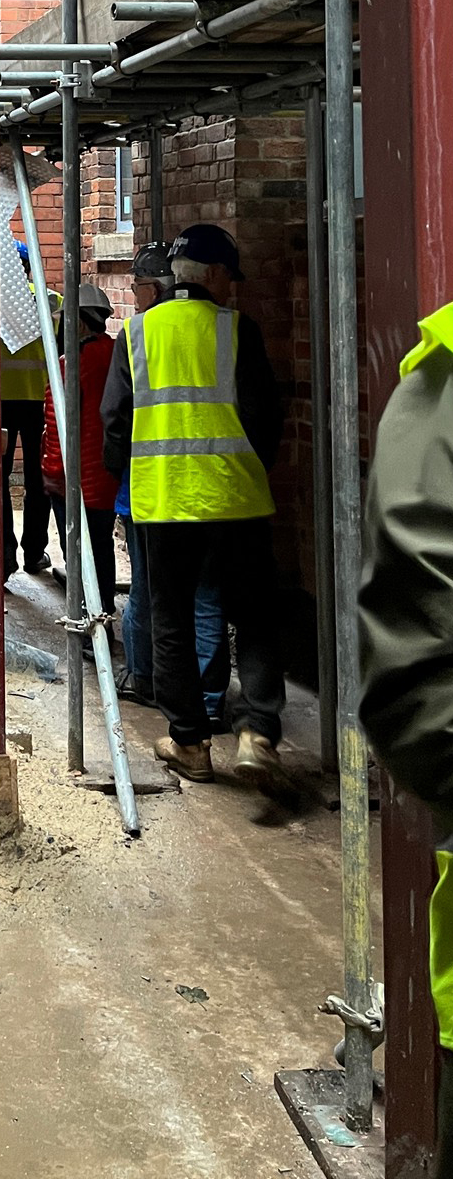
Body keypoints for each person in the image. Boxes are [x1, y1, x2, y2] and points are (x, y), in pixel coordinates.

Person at [101, 221, 287, 789]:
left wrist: (125, 478)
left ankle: (189, 744)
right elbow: (265, 418)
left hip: (165, 503)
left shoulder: (136, 335)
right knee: (254, 617)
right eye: (230, 275)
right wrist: (248, 468)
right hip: (237, 499)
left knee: (172, 620)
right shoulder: (237, 330)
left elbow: (115, 424)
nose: (232, 287)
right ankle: (258, 732)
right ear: (210, 274)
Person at [359, 304, 453, 1178]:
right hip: (223, 489)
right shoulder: (445, 386)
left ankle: (199, 724)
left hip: (151, 493)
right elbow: (414, 685)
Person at [117, 241, 231, 722]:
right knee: (206, 598)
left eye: (137, 286)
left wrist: (112, 474)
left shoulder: (139, 332)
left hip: (153, 489)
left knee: (150, 592)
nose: (134, 295)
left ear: (152, 287)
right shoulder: (223, 327)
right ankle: (208, 701)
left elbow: (115, 420)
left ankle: (148, 680)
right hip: (218, 489)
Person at [40, 281, 119, 616]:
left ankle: (87, 621)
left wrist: (51, 474)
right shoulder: (121, 354)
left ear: (80, 323)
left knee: (77, 551)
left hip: (75, 479)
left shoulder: (70, 363)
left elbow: (58, 426)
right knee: (102, 546)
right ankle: (104, 607)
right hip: (111, 474)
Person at [0, 241, 56, 579]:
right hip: (41, 402)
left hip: (1, 403)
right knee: (40, 480)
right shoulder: (50, 301)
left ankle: (4, 557)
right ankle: (35, 553)